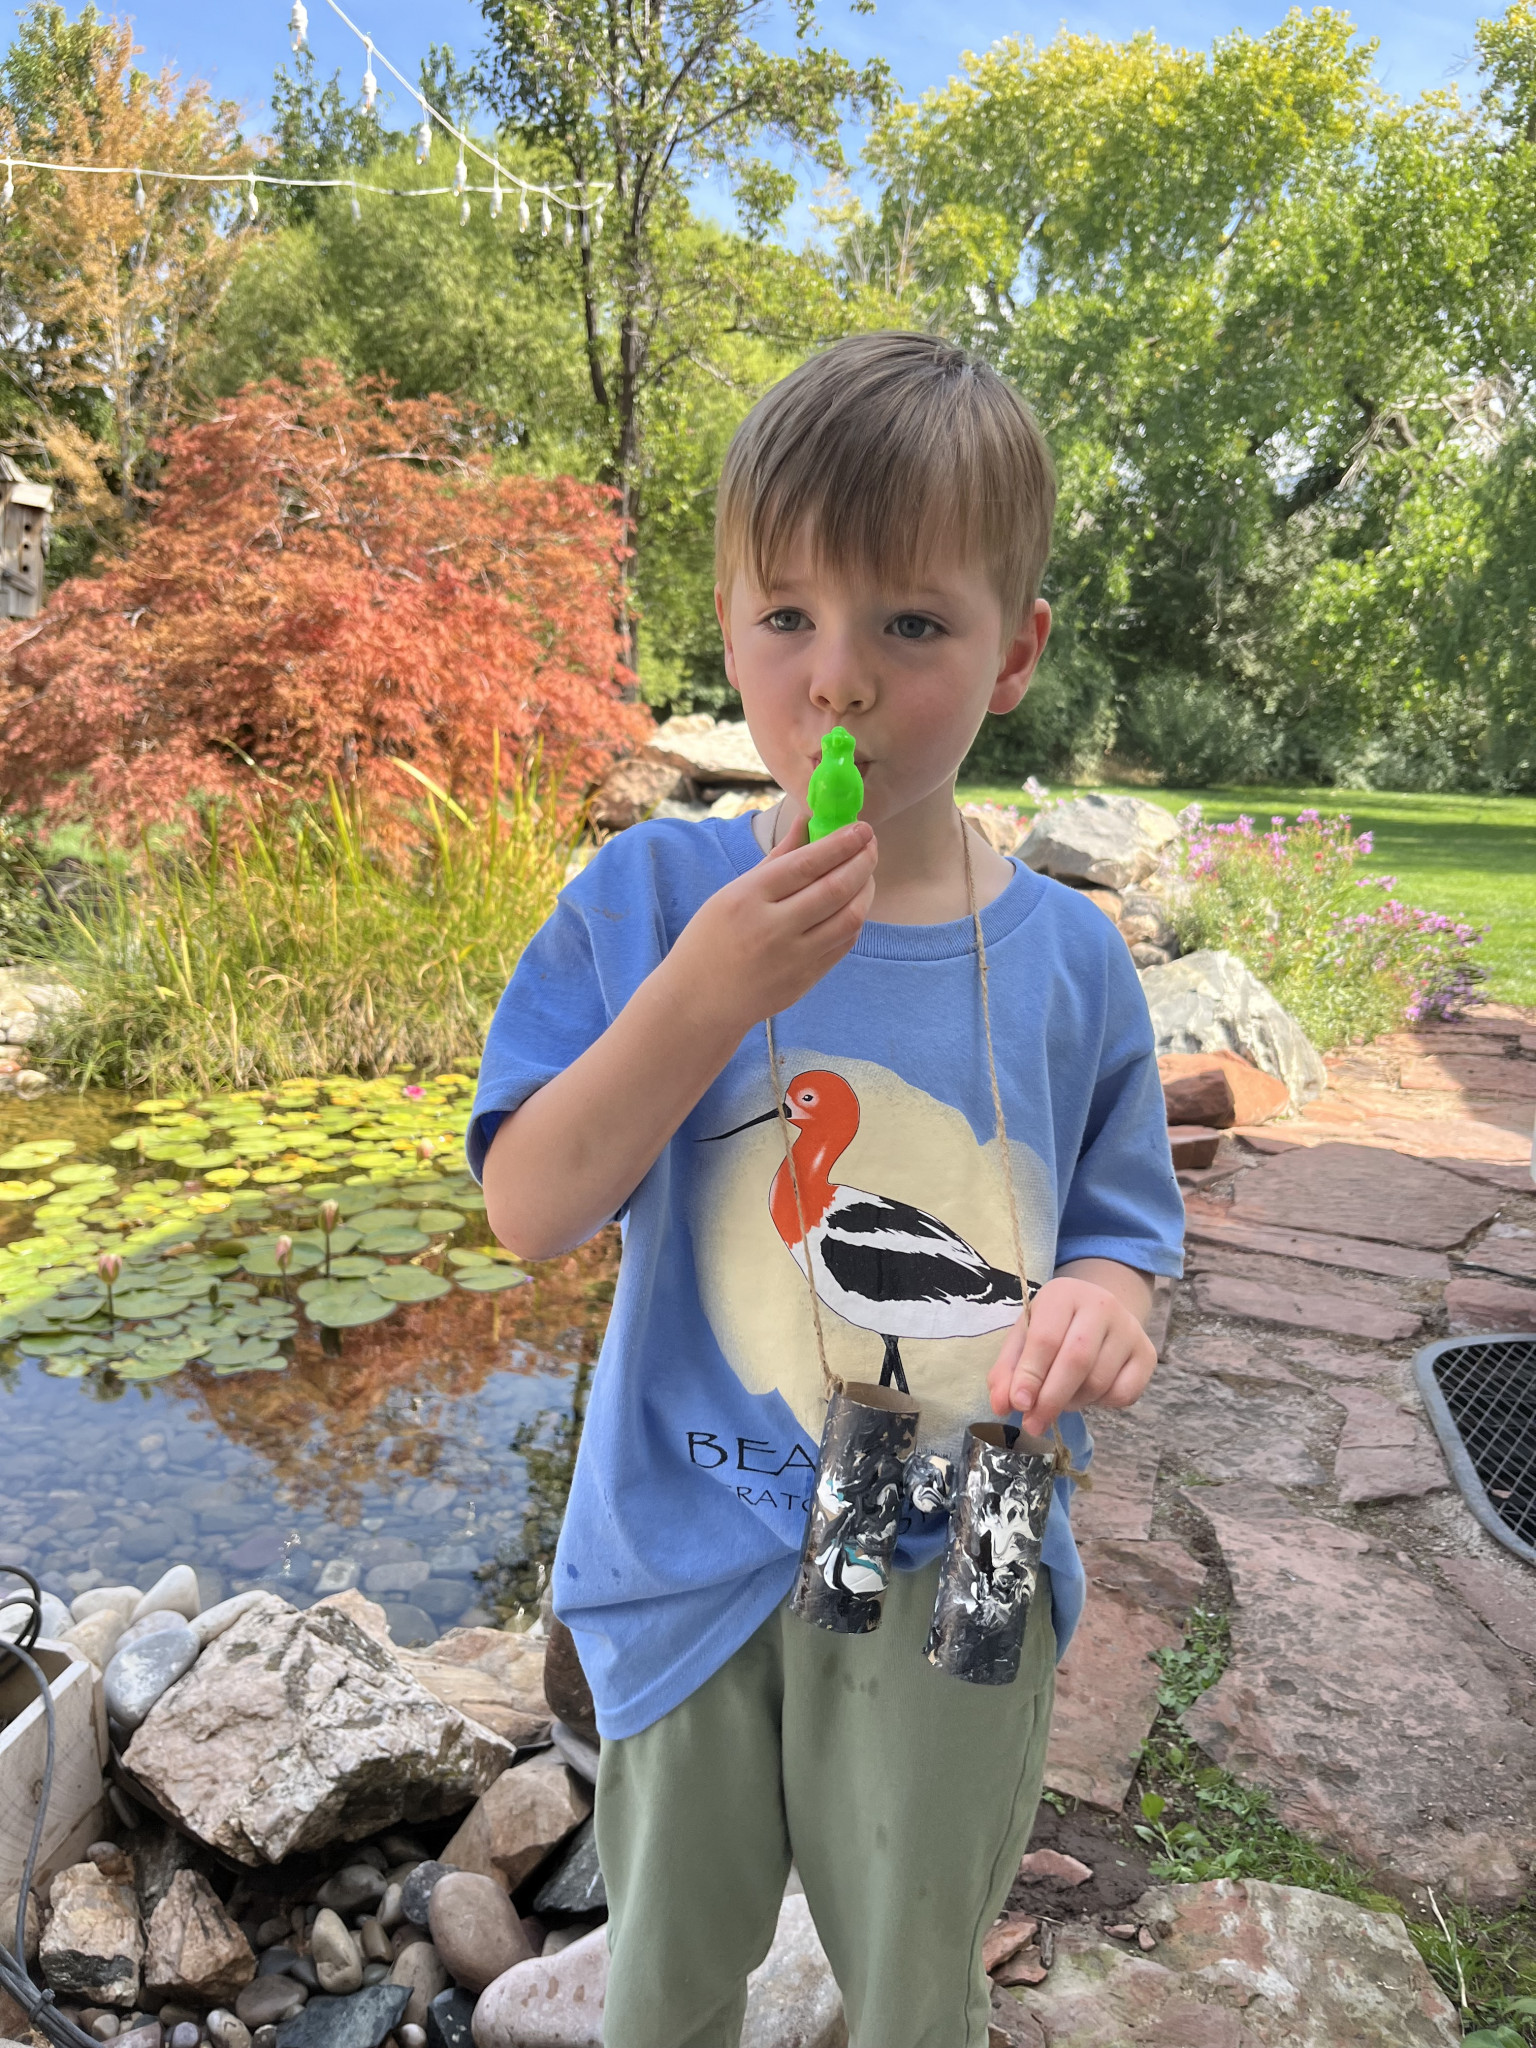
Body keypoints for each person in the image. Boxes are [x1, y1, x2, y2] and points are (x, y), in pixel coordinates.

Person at [469, 331, 1184, 2048]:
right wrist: (701, 997)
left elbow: (1120, 1231)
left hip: (974, 1524)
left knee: (918, 1976)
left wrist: (1106, 1302)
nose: (838, 680)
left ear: (1015, 653)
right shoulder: (650, 902)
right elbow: (531, 1209)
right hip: (696, 1531)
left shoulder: (1073, 961)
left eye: (911, 625)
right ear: (726, 626)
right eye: (788, 615)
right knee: (669, 1973)